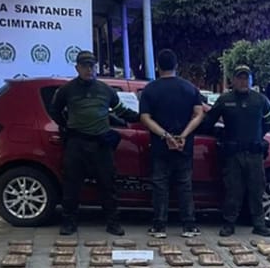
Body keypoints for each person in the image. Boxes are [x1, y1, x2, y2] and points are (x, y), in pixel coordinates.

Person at [50, 50, 138, 236]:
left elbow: (121, 110)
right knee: (71, 186)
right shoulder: (67, 90)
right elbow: (55, 111)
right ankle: (69, 223)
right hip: (77, 143)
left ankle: (113, 223)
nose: (89, 70)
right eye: (84, 66)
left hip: (101, 144)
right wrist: (66, 126)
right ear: (77, 68)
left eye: (91, 66)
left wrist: (142, 117)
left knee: (108, 185)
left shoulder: (105, 90)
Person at [201, 65, 270, 237]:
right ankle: (229, 224)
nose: (243, 82)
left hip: (254, 153)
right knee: (233, 191)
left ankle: (259, 224)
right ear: (233, 80)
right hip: (233, 154)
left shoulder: (260, 100)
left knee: (257, 190)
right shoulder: (224, 100)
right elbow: (209, 121)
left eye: (246, 78)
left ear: (251, 80)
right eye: (240, 78)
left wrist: (258, 136)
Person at [138, 49, 205, 238]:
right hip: (184, 145)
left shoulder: (150, 89)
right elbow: (199, 114)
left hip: (160, 146)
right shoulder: (190, 88)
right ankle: (189, 226)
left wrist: (166, 136)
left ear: (158, 66)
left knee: (160, 185)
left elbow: (144, 118)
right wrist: (183, 135)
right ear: (176, 65)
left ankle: (159, 227)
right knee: (185, 185)